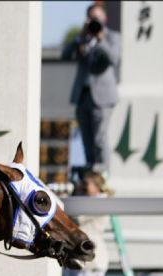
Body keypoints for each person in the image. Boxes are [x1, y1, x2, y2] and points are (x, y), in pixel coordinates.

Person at [62, 3, 121, 175]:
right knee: (87, 141)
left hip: (102, 96)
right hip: (83, 95)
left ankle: (103, 178)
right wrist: (79, 37)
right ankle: (90, 178)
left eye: (96, 18)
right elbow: (65, 55)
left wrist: (101, 39)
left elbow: (114, 59)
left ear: (104, 19)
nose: (93, 22)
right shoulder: (83, 38)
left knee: (100, 139)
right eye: (90, 18)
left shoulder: (112, 37)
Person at [60, 170, 112, 276]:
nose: (82, 187)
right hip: (76, 258)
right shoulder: (86, 200)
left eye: (86, 184)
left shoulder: (100, 202)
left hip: (91, 261)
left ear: (97, 186)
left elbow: (76, 216)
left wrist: (68, 198)